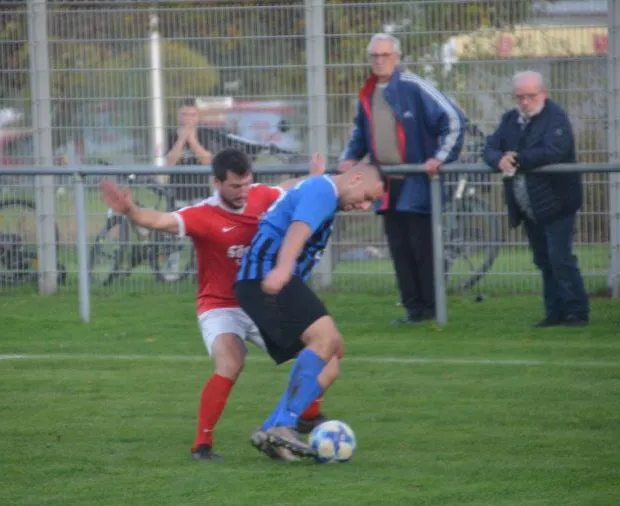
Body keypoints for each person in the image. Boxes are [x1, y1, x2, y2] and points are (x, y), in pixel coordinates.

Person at [98, 148, 329, 461]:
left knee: (315, 350)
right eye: (235, 186)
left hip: (261, 301)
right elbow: (161, 220)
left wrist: (314, 179)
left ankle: (306, 416)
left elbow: (288, 189)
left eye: (247, 183)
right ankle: (202, 445)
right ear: (217, 183)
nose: (243, 191)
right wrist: (131, 211)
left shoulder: (262, 196)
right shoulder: (203, 215)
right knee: (231, 361)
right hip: (220, 305)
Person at [234, 163, 387, 460]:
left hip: (262, 281)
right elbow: (298, 229)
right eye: (367, 197)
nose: (365, 206)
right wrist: (283, 268)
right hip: (264, 276)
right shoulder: (324, 191)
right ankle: (283, 425)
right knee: (325, 339)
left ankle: (271, 431)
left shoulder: (321, 188)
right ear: (356, 178)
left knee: (330, 362)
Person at [338, 33, 466, 324]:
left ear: (397, 57)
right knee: (399, 249)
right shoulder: (368, 92)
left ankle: (432, 309)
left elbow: (454, 119)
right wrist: (349, 157)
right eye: (374, 56)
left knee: (423, 247)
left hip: (418, 182)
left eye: (385, 55)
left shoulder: (414, 86)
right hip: (385, 184)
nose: (379, 61)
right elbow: (360, 132)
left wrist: (439, 158)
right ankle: (413, 310)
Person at [482, 70, 589, 327]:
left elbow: (555, 150)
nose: (525, 102)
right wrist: (499, 159)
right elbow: (490, 146)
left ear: (544, 93)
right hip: (529, 205)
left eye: (531, 96)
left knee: (560, 258)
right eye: (519, 97)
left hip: (557, 201)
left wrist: (517, 159)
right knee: (543, 260)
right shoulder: (510, 119)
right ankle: (554, 313)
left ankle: (577, 312)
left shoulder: (556, 117)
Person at [164, 98, 215, 205]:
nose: (188, 118)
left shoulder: (205, 135)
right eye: (184, 115)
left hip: (200, 190)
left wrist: (192, 140)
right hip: (177, 191)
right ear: (178, 116)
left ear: (198, 117)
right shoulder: (171, 135)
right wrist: (181, 139)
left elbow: (207, 162)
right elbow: (170, 163)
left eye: (192, 115)